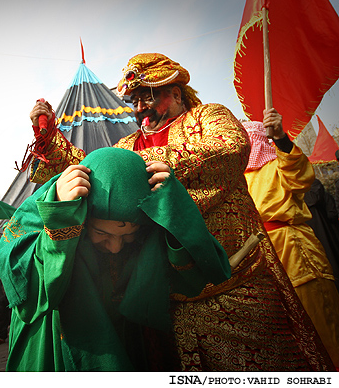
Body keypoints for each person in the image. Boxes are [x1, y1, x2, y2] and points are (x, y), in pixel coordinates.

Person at [21, 53, 334, 370]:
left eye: (150, 95)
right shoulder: (129, 143)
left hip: (237, 285)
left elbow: (230, 146)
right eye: (136, 99)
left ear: (177, 93)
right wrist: (50, 143)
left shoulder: (208, 117)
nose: (141, 106)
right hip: (164, 297)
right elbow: (96, 172)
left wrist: (139, 169)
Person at [0, 147, 232, 371]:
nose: (116, 247)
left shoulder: (146, 233)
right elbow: (32, 294)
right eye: (101, 234)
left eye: (128, 236)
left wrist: (173, 208)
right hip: (53, 342)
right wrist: (61, 217)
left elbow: (195, 273)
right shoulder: (52, 206)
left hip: (126, 340)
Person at [243, 110, 339, 368]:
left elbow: (300, 175)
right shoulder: (238, 178)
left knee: (321, 325)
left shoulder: (280, 162)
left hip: (294, 249)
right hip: (261, 259)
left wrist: (282, 140)